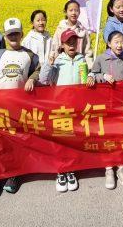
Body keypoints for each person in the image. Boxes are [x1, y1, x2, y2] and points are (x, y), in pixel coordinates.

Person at [0, 17, 40, 198]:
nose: (13, 37)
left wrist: (32, 79)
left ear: (22, 34)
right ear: (5, 36)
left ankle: (14, 175)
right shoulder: (0, 54)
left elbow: (37, 70)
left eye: (16, 33)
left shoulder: (29, 55)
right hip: (0, 106)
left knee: (16, 141)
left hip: (20, 107)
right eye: (10, 34)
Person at [40, 28, 88, 193]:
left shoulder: (82, 59)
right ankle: (61, 171)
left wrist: (91, 77)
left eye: (74, 42)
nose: (72, 45)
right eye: (68, 43)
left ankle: (71, 169)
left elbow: (85, 81)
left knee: (73, 140)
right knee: (61, 141)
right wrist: (49, 63)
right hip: (60, 107)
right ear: (62, 45)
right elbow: (44, 79)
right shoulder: (58, 61)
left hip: (77, 107)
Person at [88, 31, 123, 189]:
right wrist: (103, 76)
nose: (119, 45)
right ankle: (109, 169)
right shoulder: (102, 58)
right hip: (105, 104)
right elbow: (92, 74)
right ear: (109, 44)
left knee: (121, 136)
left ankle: (121, 168)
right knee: (108, 136)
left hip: (122, 104)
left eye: (122, 42)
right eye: (116, 41)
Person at [51, 0, 94, 67]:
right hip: (62, 65)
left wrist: (89, 66)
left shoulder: (83, 30)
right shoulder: (60, 29)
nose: (73, 13)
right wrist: (53, 62)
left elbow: (87, 51)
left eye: (76, 10)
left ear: (79, 12)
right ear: (65, 12)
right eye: (71, 10)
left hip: (79, 64)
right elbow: (55, 47)